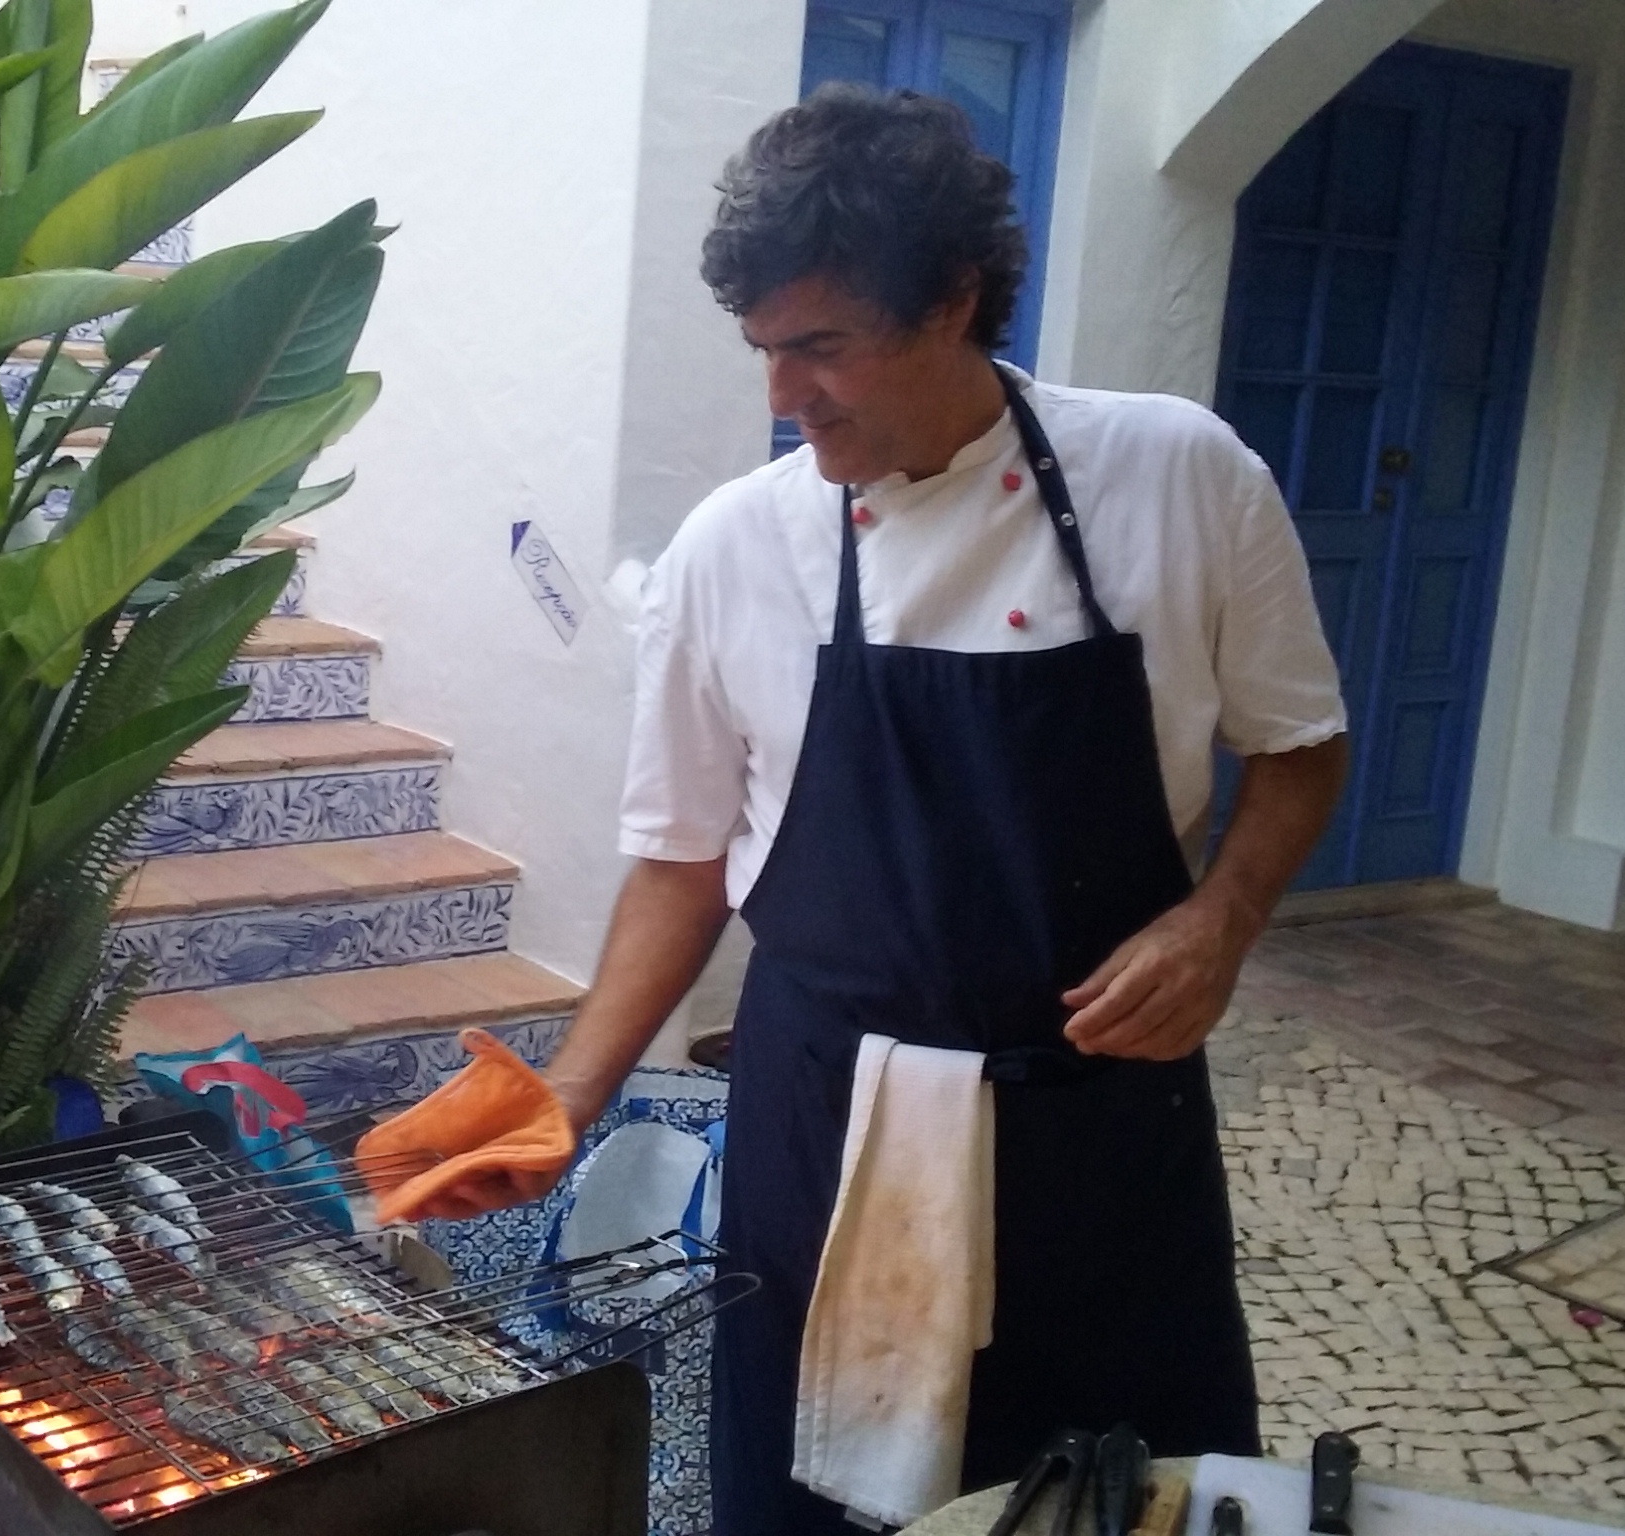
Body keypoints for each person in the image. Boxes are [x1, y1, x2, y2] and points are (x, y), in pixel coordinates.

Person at [389, 85, 1349, 1533]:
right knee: (810, 1506)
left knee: (1117, 1498)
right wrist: (565, 1093)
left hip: (1096, 1131)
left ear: (957, 298)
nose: (784, 396)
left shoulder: (1180, 478)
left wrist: (1225, 918)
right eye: (765, 350)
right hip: (828, 1128)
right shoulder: (740, 548)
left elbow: (1301, 744)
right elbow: (682, 862)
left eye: (821, 346)